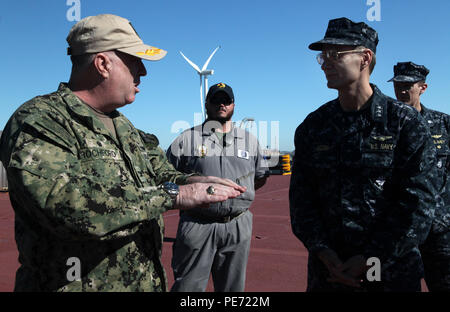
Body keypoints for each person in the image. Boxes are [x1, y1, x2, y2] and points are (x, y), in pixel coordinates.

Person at [0, 14, 244, 292]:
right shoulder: (39, 120)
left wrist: (191, 181)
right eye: (134, 61)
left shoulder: (124, 127)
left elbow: (159, 171)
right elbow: (67, 206)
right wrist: (175, 195)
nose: (143, 71)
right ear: (103, 64)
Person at [289, 17, 439, 291]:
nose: (326, 63)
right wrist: (323, 251)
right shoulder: (313, 126)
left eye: (335, 54)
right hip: (329, 273)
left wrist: (371, 259)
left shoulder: (404, 123)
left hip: (390, 273)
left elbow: (419, 204)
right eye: (323, 57)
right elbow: (302, 201)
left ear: (365, 58)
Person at [166, 82, 269, 292]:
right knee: (188, 289)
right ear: (206, 104)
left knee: (233, 290)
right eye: (216, 100)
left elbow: (259, 177)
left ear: (233, 105)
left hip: (238, 225)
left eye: (226, 100)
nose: (221, 104)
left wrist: (237, 197)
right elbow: (167, 176)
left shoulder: (250, 141)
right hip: (197, 224)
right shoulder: (186, 139)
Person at [388, 61, 450, 291]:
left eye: (408, 85)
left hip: (439, 229)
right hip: (398, 230)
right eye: (397, 85)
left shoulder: (443, 124)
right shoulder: (383, 124)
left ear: (422, 88)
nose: (401, 91)